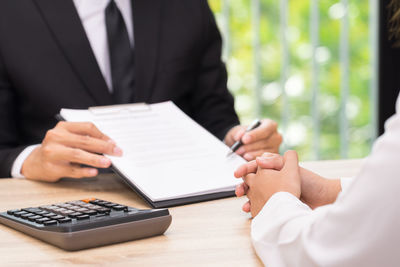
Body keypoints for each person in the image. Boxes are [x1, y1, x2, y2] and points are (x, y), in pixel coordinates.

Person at [0, 0, 282, 181]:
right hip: (58, 211)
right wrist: (29, 161)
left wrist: (239, 139)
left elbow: (215, 118)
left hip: (181, 214)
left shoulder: (187, 7)